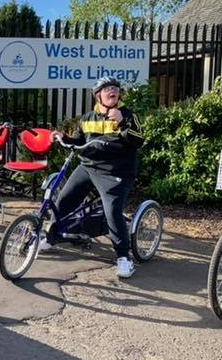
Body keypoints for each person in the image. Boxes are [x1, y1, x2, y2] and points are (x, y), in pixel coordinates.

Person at [47, 76, 145, 279]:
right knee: (64, 200)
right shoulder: (88, 118)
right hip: (88, 167)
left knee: (112, 212)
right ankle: (51, 237)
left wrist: (123, 122)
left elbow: (138, 141)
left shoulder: (127, 115)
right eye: (108, 88)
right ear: (98, 95)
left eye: (116, 89)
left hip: (115, 172)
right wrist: (63, 137)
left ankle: (123, 258)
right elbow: (79, 140)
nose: (113, 91)